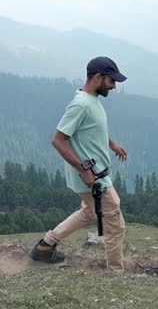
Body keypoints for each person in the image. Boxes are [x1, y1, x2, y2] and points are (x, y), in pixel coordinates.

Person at [29, 56, 129, 273]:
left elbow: (92, 130)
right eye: (111, 81)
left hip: (95, 174)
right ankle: (116, 273)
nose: (114, 86)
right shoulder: (81, 104)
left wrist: (112, 145)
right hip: (93, 177)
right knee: (115, 224)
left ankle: (45, 247)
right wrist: (83, 169)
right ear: (98, 77)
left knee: (89, 212)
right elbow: (58, 139)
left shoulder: (91, 101)